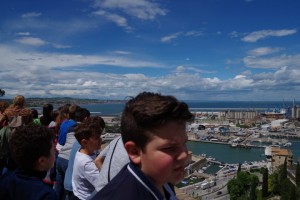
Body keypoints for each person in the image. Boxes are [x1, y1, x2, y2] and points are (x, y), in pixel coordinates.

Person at [91, 92, 194, 200]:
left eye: (184, 143)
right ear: (134, 152)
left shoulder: (159, 180)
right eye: (169, 148)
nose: (184, 155)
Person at [0, 124, 58, 200]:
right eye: (53, 149)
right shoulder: (46, 195)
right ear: (42, 161)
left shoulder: (5, 180)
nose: (56, 151)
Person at [72, 116, 106, 200]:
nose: (100, 140)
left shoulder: (87, 151)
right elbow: (103, 184)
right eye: (97, 138)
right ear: (85, 142)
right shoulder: (86, 163)